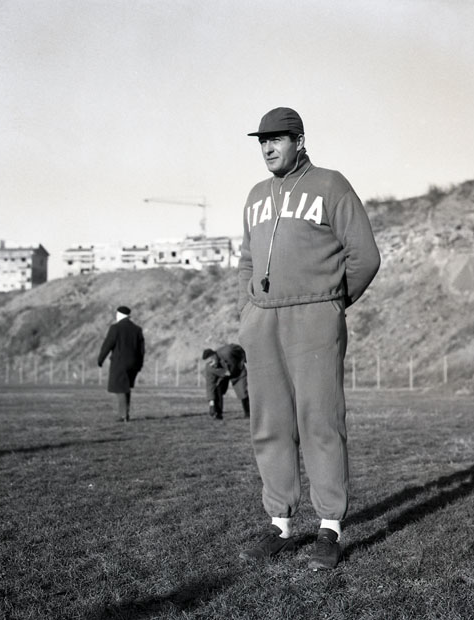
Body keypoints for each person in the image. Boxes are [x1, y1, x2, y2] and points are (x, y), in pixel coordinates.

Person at [237, 107, 381, 570]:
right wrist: (249, 310)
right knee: (270, 424)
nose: (268, 147)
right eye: (262, 141)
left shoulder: (330, 184)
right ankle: (279, 525)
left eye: (277, 139)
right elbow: (246, 260)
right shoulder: (256, 195)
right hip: (263, 320)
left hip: (315, 315)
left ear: (299, 141)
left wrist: (332, 303)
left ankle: (329, 528)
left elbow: (365, 256)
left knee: (320, 420)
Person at [97, 305, 145, 422]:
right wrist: (139, 364)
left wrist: (100, 359)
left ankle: (123, 415)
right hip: (133, 363)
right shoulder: (137, 329)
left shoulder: (115, 328)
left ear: (119, 314)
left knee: (120, 388)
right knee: (126, 387)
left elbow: (108, 344)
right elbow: (141, 350)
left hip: (120, 363)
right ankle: (125, 413)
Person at [202, 344, 250, 420]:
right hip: (223, 376)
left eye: (211, 362)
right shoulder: (209, 368)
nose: (211, 365)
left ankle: (248, 413)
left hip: (238, 372)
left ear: (213, 356)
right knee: (217, 389)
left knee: (243, 392)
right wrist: (211, 404)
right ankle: (218, 414)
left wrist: (242, 361)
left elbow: (240, 350)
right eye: (209, 363)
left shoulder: (227, 351)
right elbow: (210, 386)